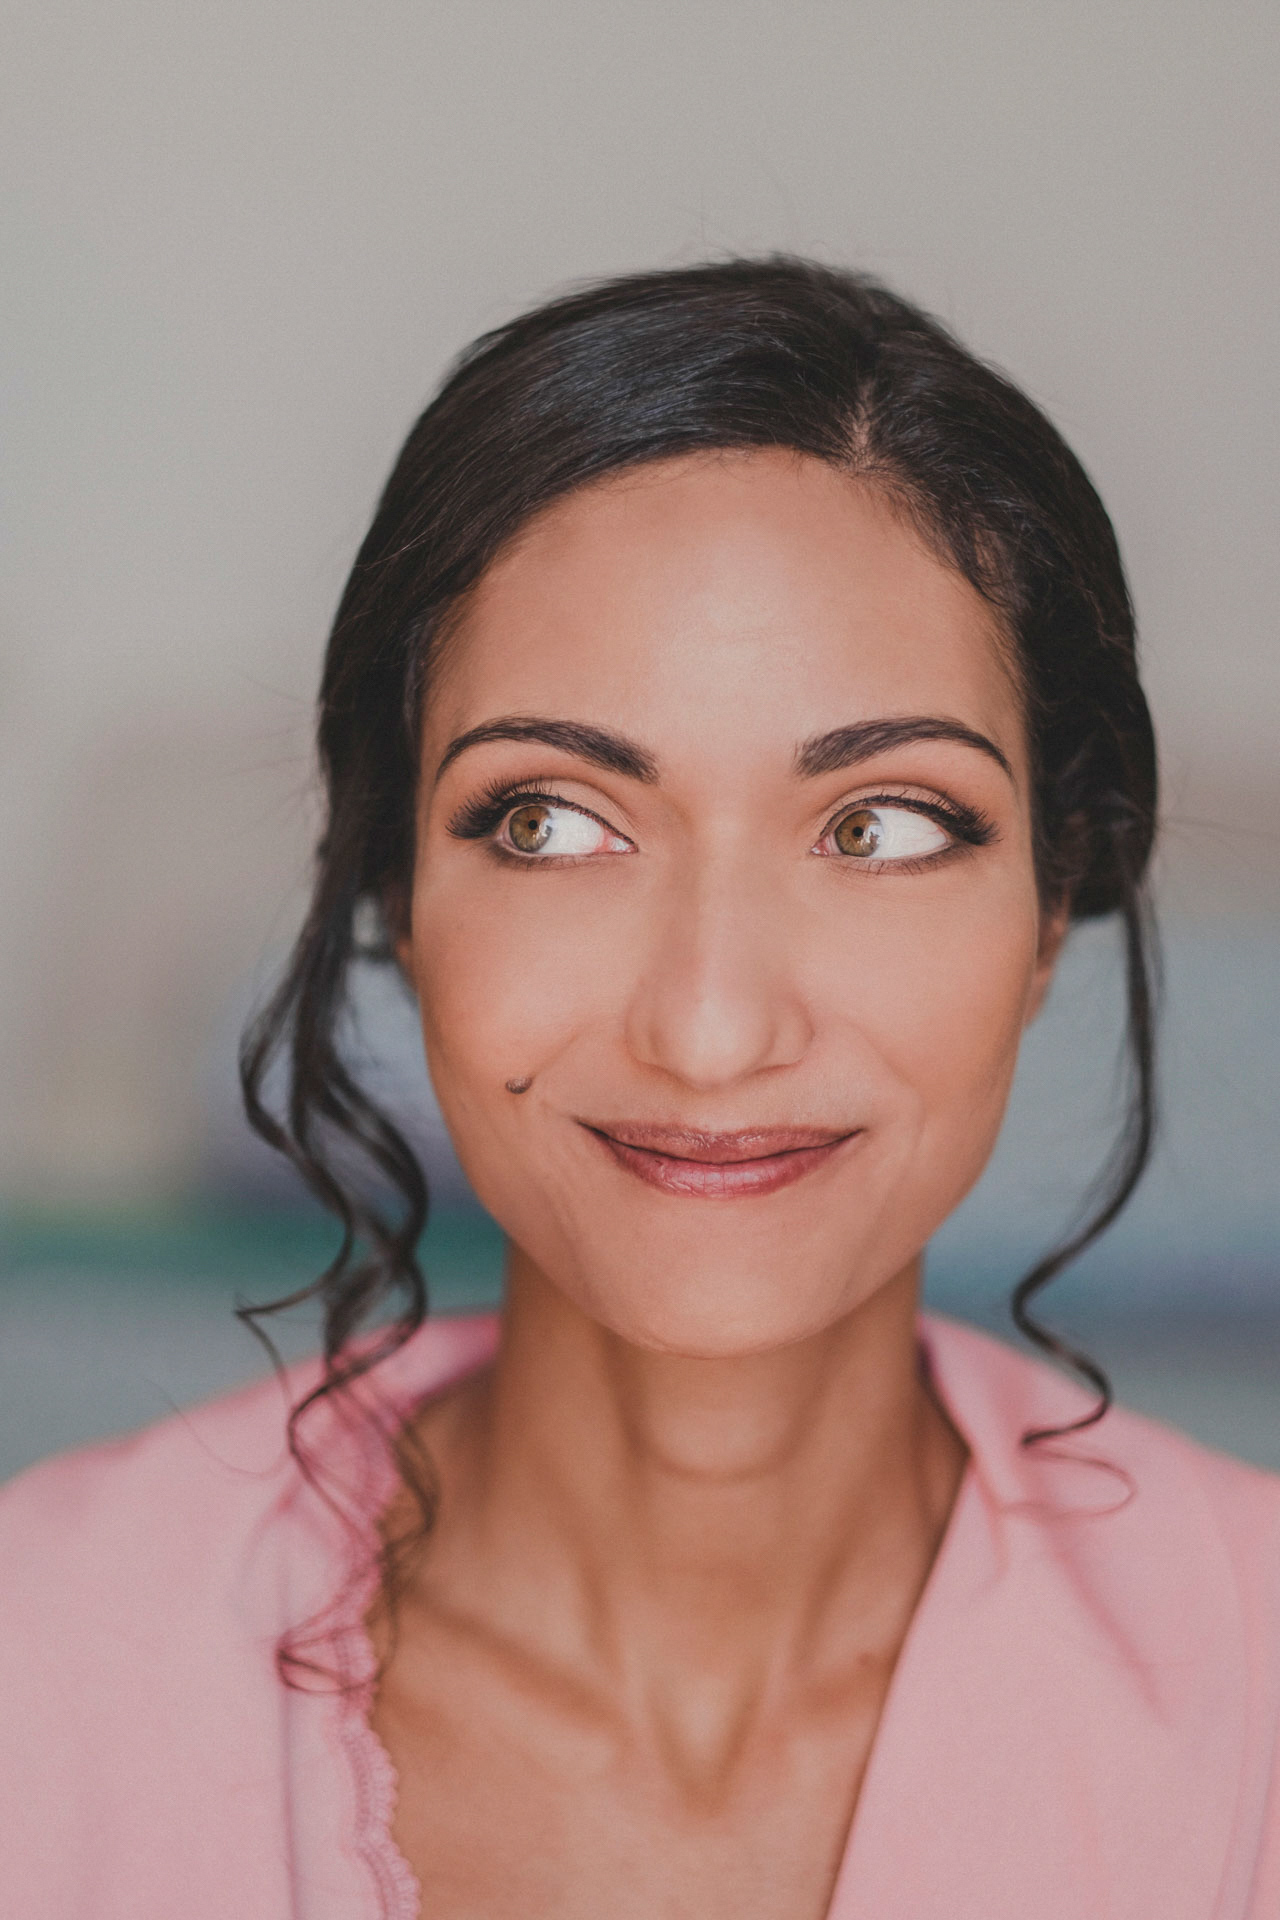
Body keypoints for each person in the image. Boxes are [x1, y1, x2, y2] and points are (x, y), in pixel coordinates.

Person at [3, 257, 1278, 1919]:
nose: (711, 1027)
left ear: (1050, 912)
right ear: (393, 888)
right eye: (548, 821)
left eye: (885, 823)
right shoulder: (42, 1665)